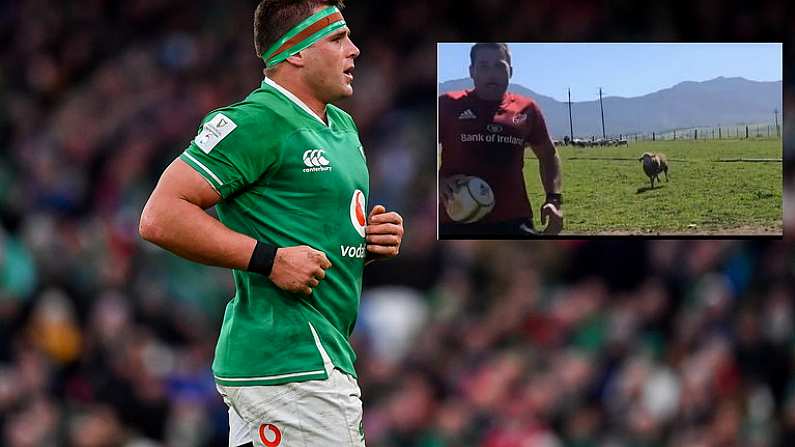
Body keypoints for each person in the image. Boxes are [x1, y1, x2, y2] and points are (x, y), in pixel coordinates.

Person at [139, 1, 404, 445]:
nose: (354, 50)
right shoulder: (256, 121)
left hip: (311, 358)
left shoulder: (340, 126)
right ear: (296, 51)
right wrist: (269, 260)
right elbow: (160, 215)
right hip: (292, 364)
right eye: (337, 39)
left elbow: (306, 236)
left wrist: (364, 240)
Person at [438, 43, 563, 237]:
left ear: (510, 71)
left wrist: (553, 199)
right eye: (484, 66)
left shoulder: (527, 109)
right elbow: (414, 151)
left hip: (513, 220)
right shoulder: (447, 105)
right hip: (455, 218)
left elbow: (549, 155)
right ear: (472, 71)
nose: (492, 74)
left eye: (499, 66)